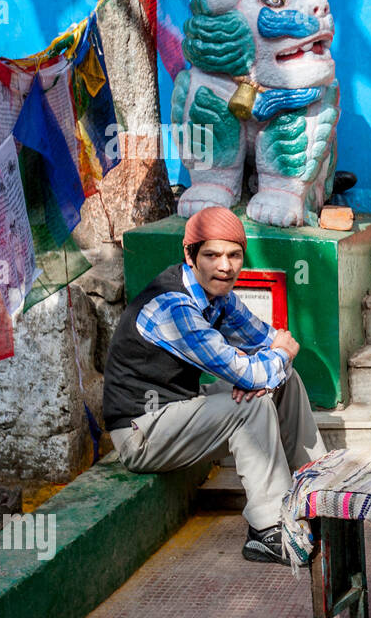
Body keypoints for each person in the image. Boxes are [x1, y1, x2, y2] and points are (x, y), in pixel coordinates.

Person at [102, 206, 327, 564]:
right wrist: (263, 369)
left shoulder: (218, 296)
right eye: (212, 255)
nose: (225, 266)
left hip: (178, 414)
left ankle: (317, 492)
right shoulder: (173, 306)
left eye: (234, 255)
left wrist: (267, 369)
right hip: (141, 434)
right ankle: (270, 529)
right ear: (190, 256)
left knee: (284, 381)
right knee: (252, 400)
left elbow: (270, 343)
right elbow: (260, 362)